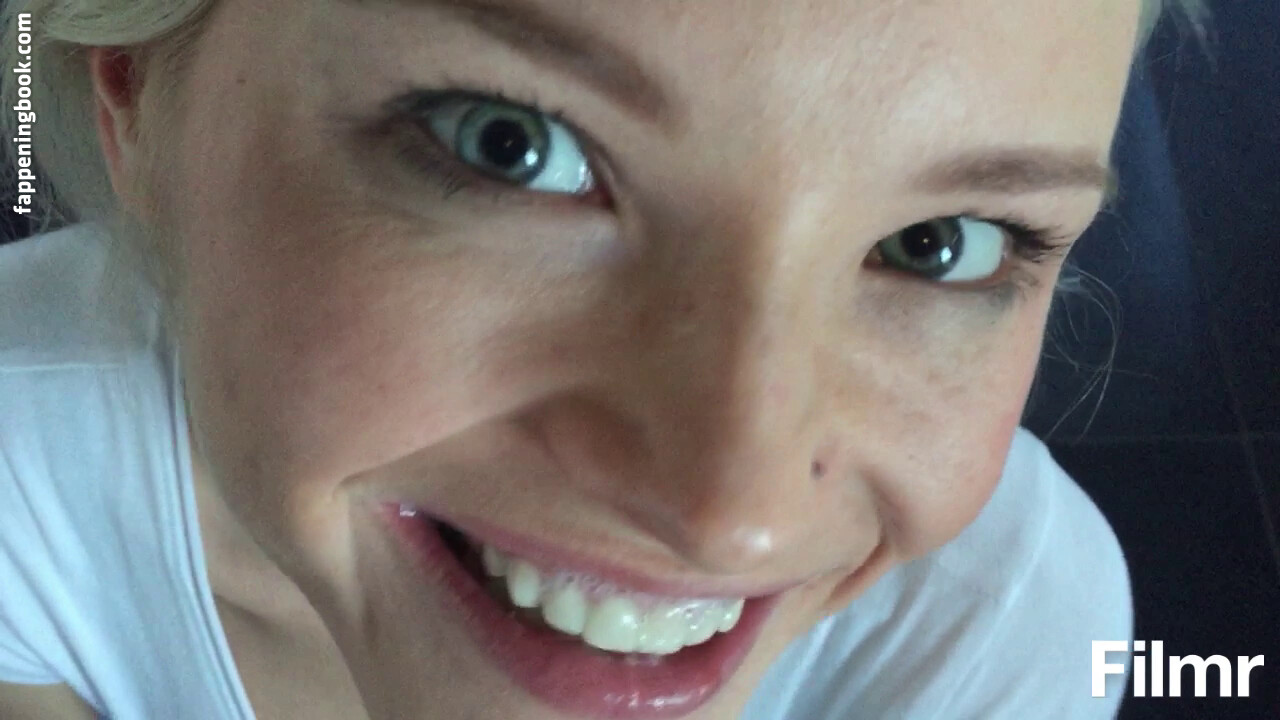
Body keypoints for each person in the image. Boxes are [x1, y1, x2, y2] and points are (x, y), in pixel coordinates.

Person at [0, 1, 1205, 718]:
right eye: (511, 146)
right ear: (134, 97)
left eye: (938, 245)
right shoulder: (23, 457)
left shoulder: (998, 637)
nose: (731, 520)